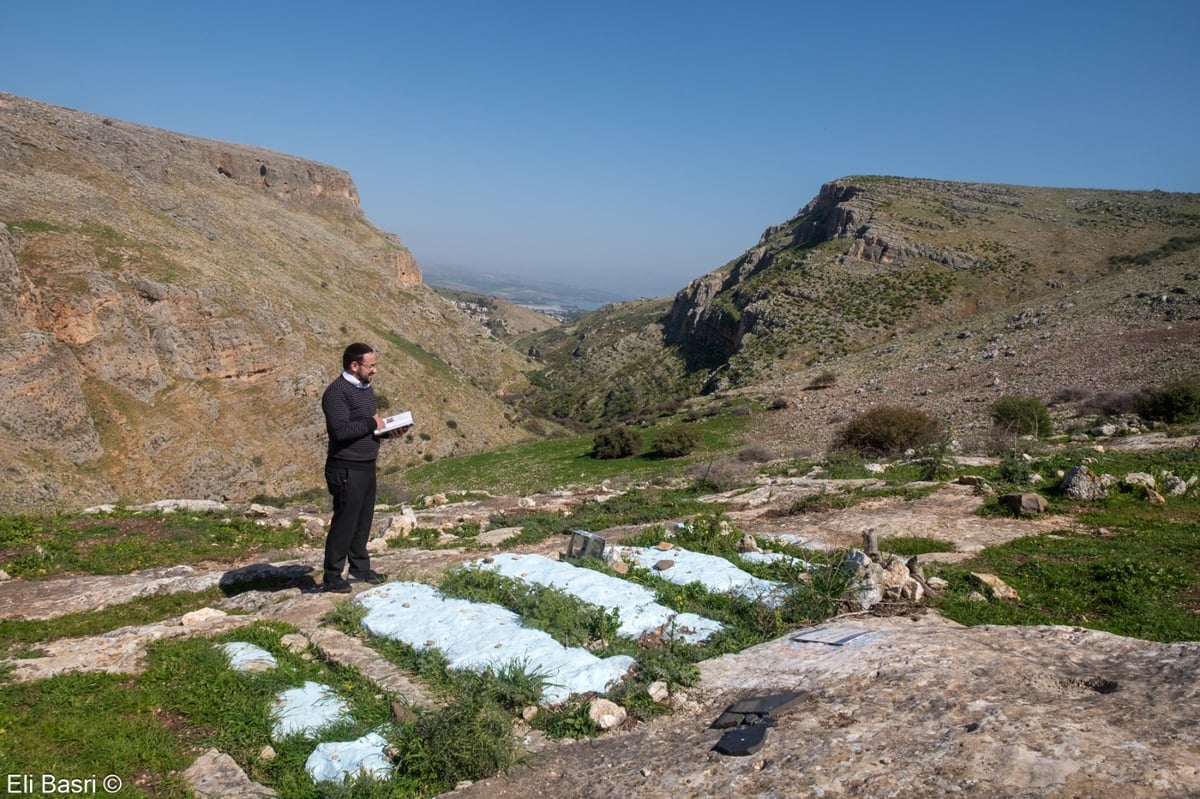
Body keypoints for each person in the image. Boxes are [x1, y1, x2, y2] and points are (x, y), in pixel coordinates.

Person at [319, 343, 408, 593]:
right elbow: (340, 431)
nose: (375, 370)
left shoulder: (365, 388)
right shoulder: (337, 393)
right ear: (354, 365)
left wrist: (388, 432)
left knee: (362, 520)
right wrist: (371, 423)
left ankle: (360, 567)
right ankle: (332, 576)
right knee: (345, 521)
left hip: (366, 464)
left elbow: (366, 428)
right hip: (346, 467)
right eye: (371, 365)